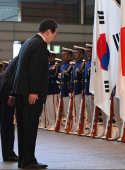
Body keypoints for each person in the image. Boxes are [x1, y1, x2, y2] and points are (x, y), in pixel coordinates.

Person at [12, 19, 58, 169]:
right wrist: (34, 91)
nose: (53, 38)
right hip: (30, 94)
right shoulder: (40, 44)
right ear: (48, 32)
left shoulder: (28, 42)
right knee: (30, 127)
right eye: (54, 35)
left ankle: (24, 160)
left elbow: (19, 70)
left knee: (24, 128)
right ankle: (29, 161)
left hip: (21, 93)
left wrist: (14, 92)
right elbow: (36, 70)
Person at [0, 56, 19, 162]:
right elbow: (16, 77)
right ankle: (8, 154)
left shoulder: (19, 57)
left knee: (6, 125)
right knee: (7, 125)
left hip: (4, 88)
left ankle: (8, 153)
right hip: (7, 90)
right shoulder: (24, 59)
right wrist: (12, 95)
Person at [60, 47, 74, 132]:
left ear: (69, 55)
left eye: (65, 54)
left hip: (68, 88)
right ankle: (67, 124)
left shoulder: (71, 65)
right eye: (63, 54)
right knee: (66, 108)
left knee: (70, 108)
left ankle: (71, 126)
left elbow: (71, 78)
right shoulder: (64, 65)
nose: (63, 56)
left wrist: (71, 89)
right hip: (63, 88)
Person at [72, 46, 86, 135]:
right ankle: (77, 125)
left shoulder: (83, 63)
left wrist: (83, 88)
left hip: (80, 87)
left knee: (81, 109)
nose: (75, 55)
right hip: (76, 87)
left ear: (81, 53)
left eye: (77, 53)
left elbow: (84, 76)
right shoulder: (76, 63)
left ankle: (82, 127)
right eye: (75, 53)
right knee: (77, 108)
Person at [45, 51, 61, 131]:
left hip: (53, 88)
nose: (47, 59)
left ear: (52, 57)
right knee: (49, 107)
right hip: (48, 88)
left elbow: (53, 74)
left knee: (53, 107)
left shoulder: (56, 65)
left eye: (49, 57)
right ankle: (51, 123)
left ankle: (55, 123)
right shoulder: (48, 65)